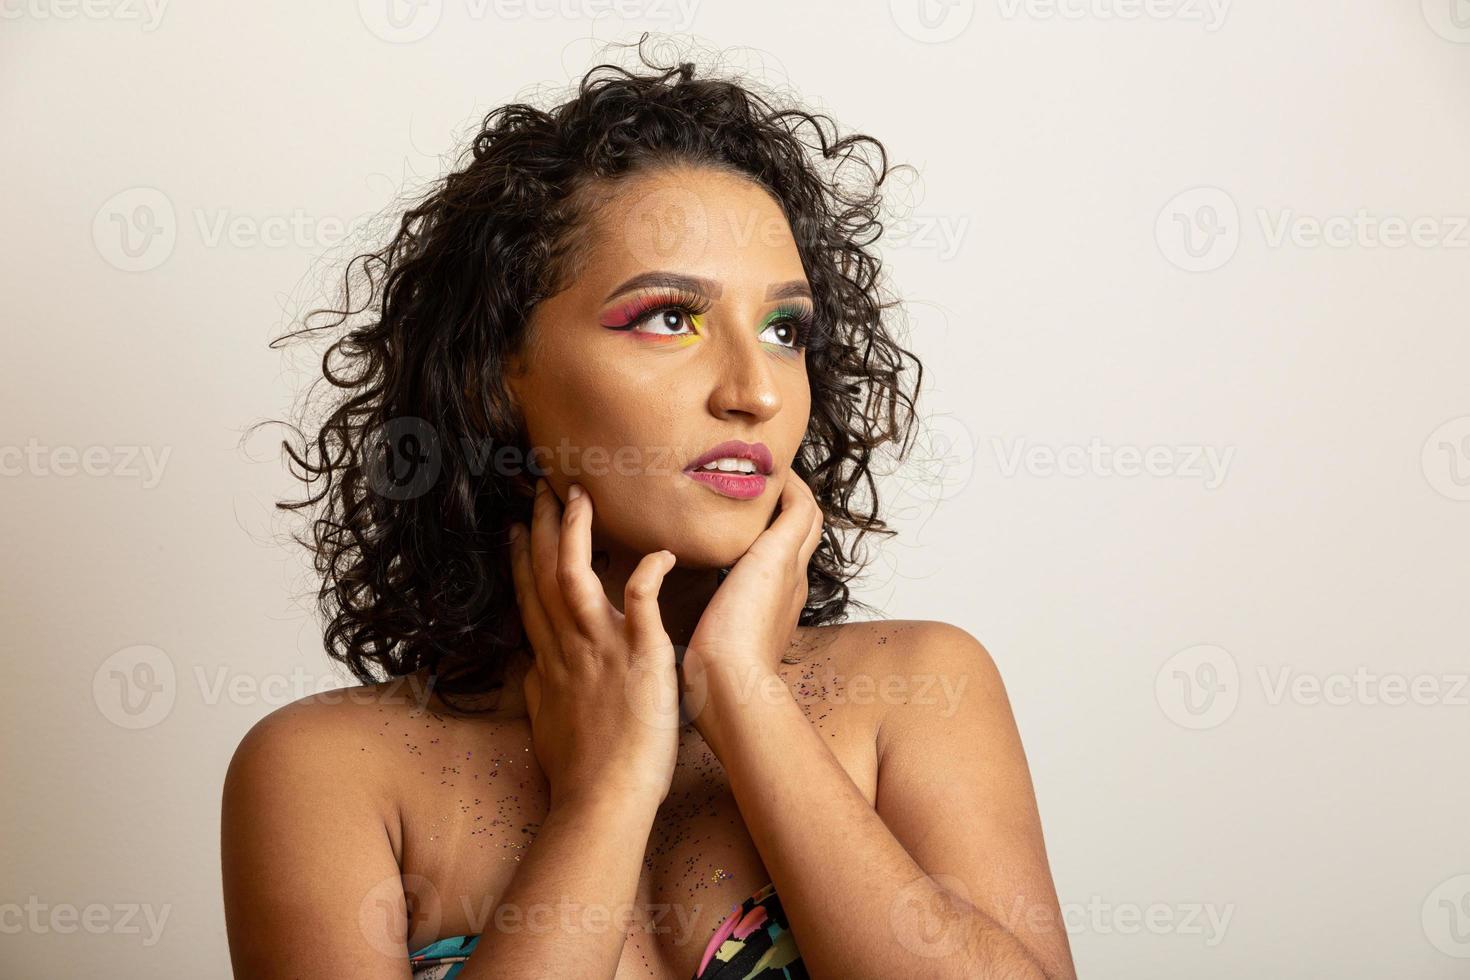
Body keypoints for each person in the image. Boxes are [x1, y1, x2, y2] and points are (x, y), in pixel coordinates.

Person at [222, 39, 1075, 980]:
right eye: (670, 317)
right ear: (495, 373)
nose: (754, 391)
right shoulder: (325, 774)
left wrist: (744, 692)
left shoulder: (917, 690)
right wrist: (604, 794)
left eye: (784, 329)